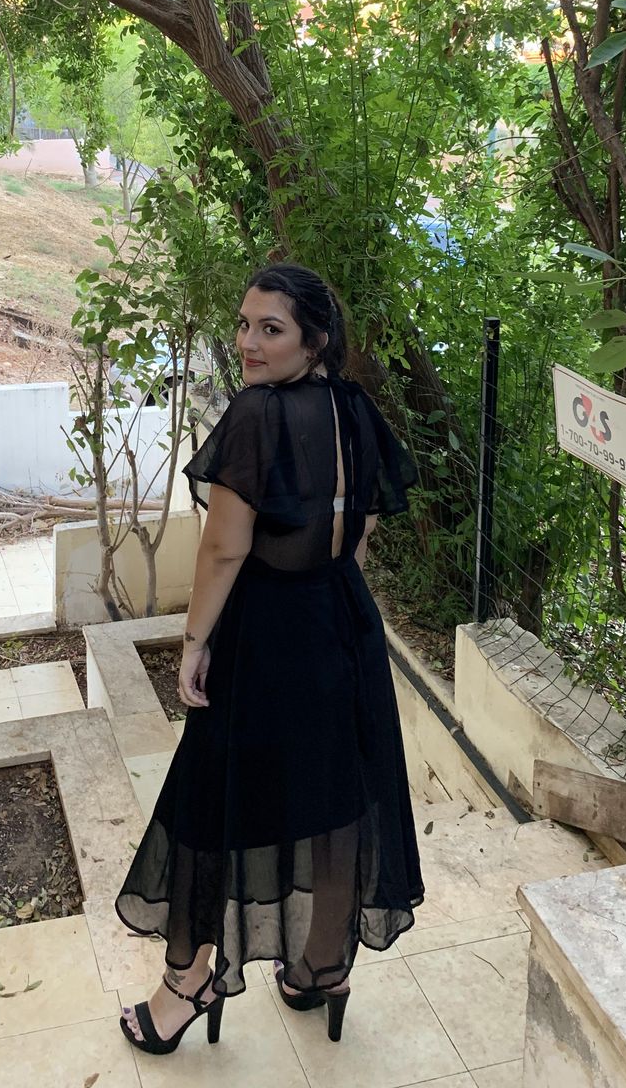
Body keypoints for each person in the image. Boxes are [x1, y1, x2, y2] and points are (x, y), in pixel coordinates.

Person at [116, 263, 424, 1055]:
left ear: (313, 340)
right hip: (344, 625)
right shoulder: (355, 408)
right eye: (245, 324)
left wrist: (193, 643)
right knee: (333, 799)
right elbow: (362, 531)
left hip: (267, 634)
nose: (248, 342)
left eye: (270, 329)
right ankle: (321, 966)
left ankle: (188, 984)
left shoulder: (257, 414)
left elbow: (223, 549)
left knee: (213, 800)